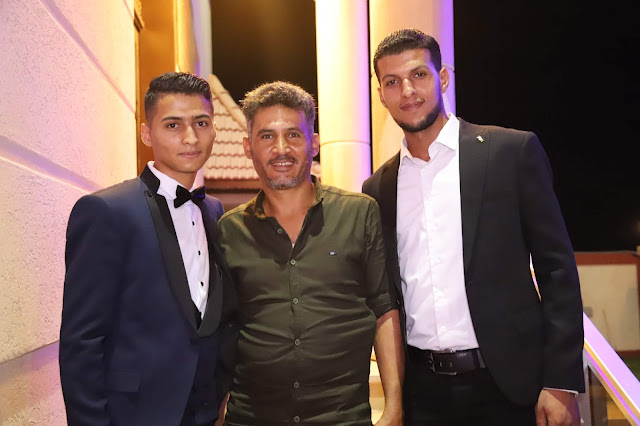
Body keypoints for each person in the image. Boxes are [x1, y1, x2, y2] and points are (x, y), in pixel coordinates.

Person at [362, 29, 584, 425]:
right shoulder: (378, 188)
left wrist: (561, 382)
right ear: (381, 95)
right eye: (392, 82)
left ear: (443, 78)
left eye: (419, 75)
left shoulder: (510, 152)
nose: (407, 91)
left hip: (510, 388)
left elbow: (558, 271)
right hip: (423, 395)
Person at [217, 81, 404, 425]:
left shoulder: (359, 214)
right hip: (252, 417)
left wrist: (395, 406)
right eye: (267, 136)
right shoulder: (229, 230)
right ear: (247, 146)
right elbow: (224, 329)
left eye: (293, 135)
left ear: (314, 143)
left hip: (342, 417)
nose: (281, 149)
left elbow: (383, 309)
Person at [59, 72, 237, 426]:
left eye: (201, 123)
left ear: (215, 130)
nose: (190, 137)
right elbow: (82, 341)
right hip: (136, 414)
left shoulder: (214, 211)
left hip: (205, 412)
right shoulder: (107, 211)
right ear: (146, 133)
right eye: (173, 125)